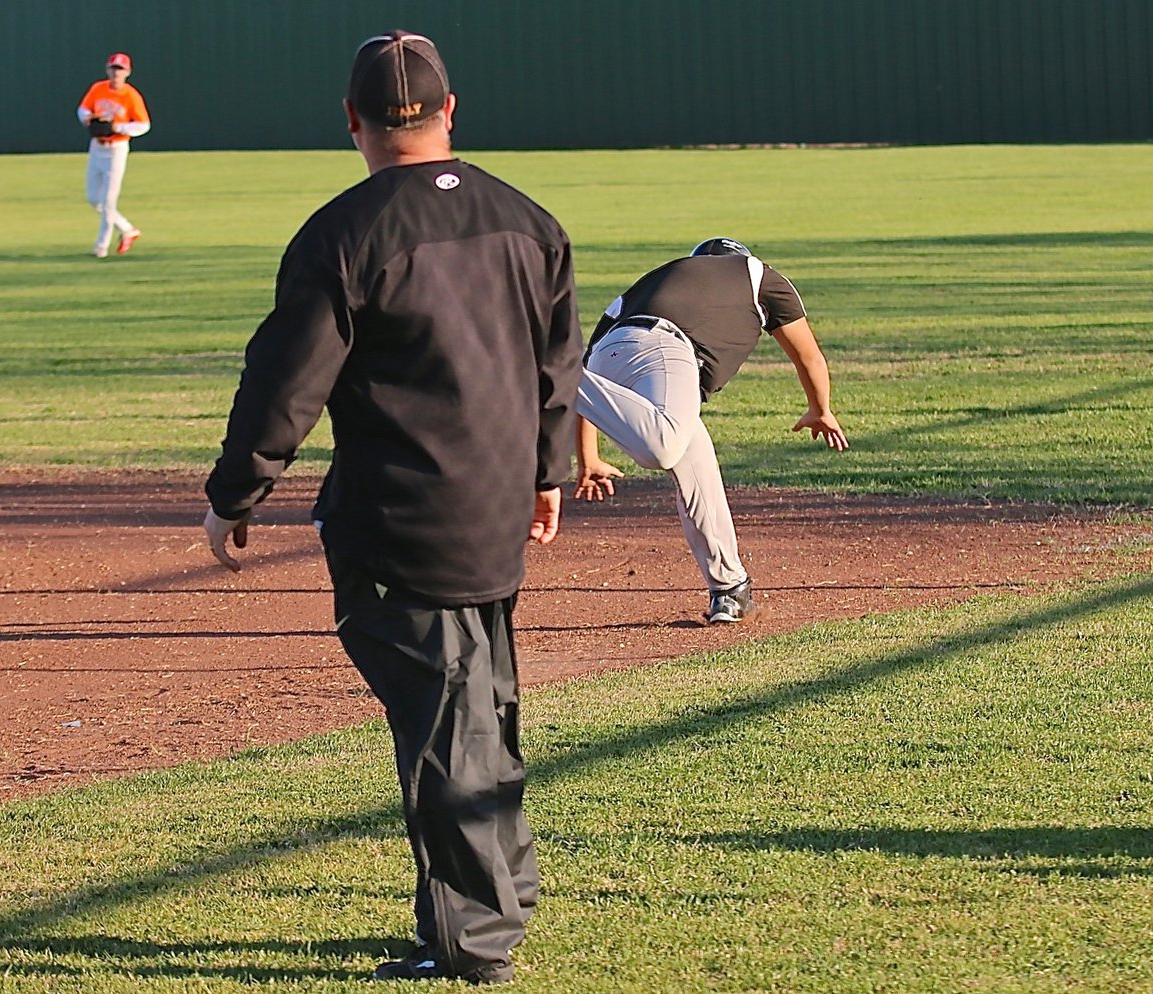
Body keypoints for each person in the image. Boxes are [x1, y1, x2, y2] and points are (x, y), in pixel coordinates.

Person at [202, 30, 582, 985]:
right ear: (452, 112)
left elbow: (286, 382)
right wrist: (546, 473)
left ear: (352, 121)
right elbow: (555, 369)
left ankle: (471, 940)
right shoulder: (528, 219)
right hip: (494, 505)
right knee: (481, 701)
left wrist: (237, 491)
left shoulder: (342, 234)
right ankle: (506, 892)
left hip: (400, 517)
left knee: (448, 724)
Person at [575, 237, 848, 624]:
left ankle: (730, 589)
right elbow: (808, 356)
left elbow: (595, 391)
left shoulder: (651, 282)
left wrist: (589, 457)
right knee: (663, 448)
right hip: (666, 350)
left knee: (696, 464)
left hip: (611, 355)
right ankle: (553, 371)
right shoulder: (757, 274)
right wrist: (821, 410)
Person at [76, 52, 150, 258]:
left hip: (116, 149)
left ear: (128, 72)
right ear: (107, 69)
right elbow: (83, 109)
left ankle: (101, 247)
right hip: (97, 146)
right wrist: (88, 117)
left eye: (120, 69)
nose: (116, 72)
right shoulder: (98, 88)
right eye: (113, 68)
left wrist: (119, 127)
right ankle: (127, 229)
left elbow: (143, 125)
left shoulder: (131, 96)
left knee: (108, 202)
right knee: (94, 199)